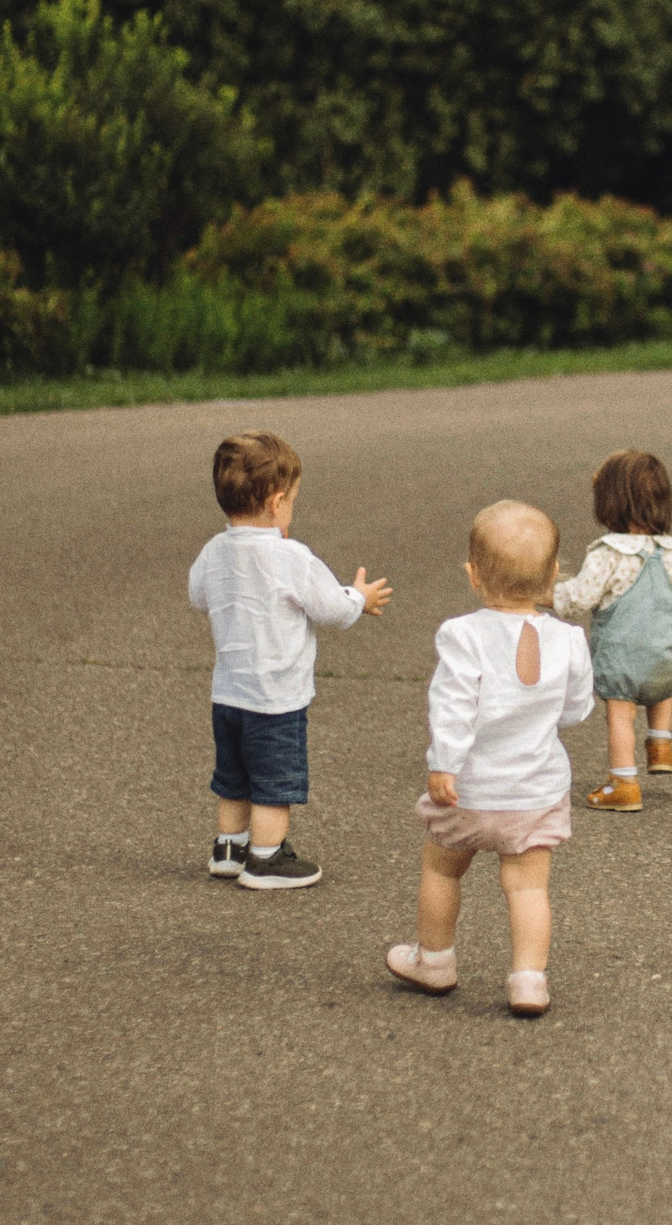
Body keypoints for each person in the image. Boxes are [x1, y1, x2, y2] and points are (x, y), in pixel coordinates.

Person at [388, 501, 593, 1016]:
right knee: (527, 888)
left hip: (471, 791)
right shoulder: (569, 639)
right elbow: (576, 709)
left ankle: (434, 961)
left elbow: (453, 703)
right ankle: (528, 980)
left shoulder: (464, 634)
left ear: (473, 575)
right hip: (535, 793)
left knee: (441, 869)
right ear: (552, 575)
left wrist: (444, 763)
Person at [188, 430, 389, 890]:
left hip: (228, 695)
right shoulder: (291, 556)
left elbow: (198, 595)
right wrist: (357, 597)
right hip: (276, 699)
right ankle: (266, 857)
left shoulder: (214, 551)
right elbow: (332, 611)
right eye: (293, 499)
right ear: (277, 503)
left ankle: (229, 847)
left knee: (233, 777)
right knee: (274, 782)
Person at [552, 449, 672, 813]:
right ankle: (660, 744)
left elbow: (582, 596)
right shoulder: (671, 551)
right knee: (661, 691)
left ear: (609, 503)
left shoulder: (608, 552)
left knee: (621, 716)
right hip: (662, 657)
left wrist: (549, 595)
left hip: (621, 659)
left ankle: (624, 783)